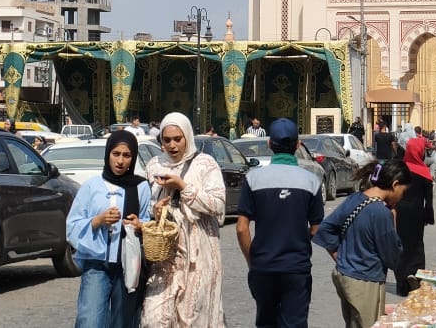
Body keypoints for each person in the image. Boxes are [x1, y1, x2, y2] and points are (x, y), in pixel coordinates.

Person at [236, 119, 324, 328]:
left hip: (263, 266)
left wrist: (253, 259)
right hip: (296, 267)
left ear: (269, 144)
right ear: (297, 144)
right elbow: (317, 227)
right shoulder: (311, 180)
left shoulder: (253, 179)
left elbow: (241, 227)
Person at [142, 113, 226, 328]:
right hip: (165, 252)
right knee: (155, 317)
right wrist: (157, 210)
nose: (172, 145)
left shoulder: (205, 164)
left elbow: (218, 204)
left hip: (199, 252)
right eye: (166, 139)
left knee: (192, 317)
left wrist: (183, 187)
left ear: (187, 137)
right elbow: (146, 204)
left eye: (177, 139)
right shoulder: (154, 165)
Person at [66, 130, 152, 328]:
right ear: (107, 154)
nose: (120, 161)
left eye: (127, 155)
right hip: (97, 265)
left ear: (133, 158)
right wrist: (97, 221)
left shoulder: (141, 187)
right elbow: (72, 225)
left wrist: (139, 226)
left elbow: (148, 223)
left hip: (128, 264)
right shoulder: (91, 187)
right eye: (116, 154)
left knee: (123, 320)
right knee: (90, 320)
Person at [313, 161, 411, 328]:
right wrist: (393, 219)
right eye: (403, 192)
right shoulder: (382, 213)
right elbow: (393, 258)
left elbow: (324, 230)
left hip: (345, 276)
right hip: (366, 282)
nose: (402, 197)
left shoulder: (355, 198)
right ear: (395, 185)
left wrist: (340, 257)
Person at [392, 136, 434, 296]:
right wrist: (429, 216)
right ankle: (415, 275)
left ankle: (402, 283)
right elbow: (428, 200)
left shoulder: (400, 170)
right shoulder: (424, 173)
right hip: (417, 213)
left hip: (400, 211)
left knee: (401, 245)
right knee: (416, 245)